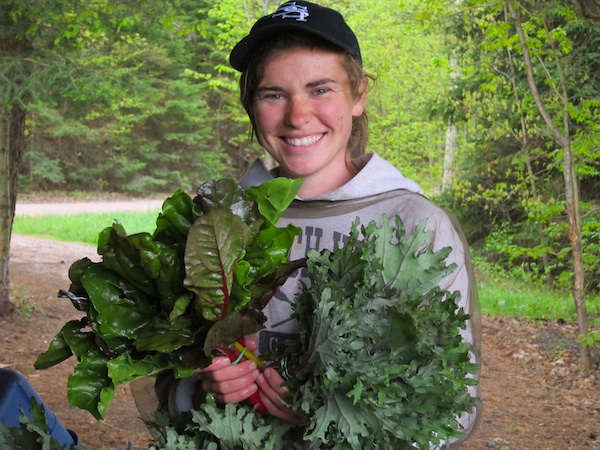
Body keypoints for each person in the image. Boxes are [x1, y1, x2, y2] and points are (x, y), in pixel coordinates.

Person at [154, 0, 481, 446]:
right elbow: (166, 377)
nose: (297, 115)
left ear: (359, 94)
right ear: (250, 105)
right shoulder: (217, 221)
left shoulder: (413, 224)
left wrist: (332, 411)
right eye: (274, 94)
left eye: (321, 89)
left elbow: (450, 404)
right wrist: (202, 386)